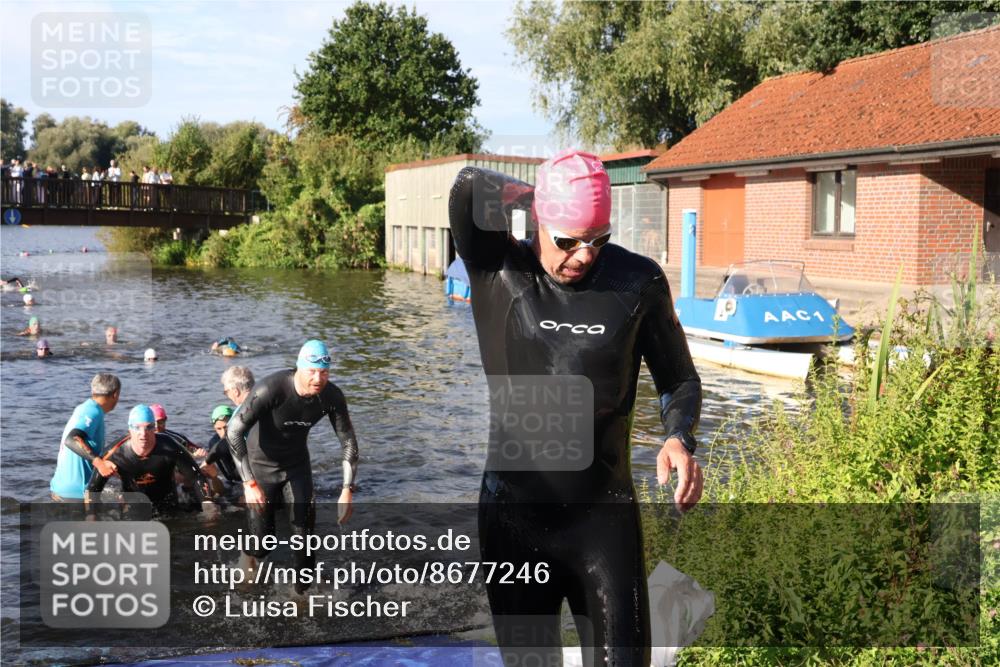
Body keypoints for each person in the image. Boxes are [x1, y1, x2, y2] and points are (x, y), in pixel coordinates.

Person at [448, 149, 703, 666]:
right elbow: (468, 185)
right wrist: (537, 193)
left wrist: (678, 436)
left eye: (598, 239)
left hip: (603, 523)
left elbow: (679, 378)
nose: (584, 255)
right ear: (539, 222)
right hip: (514, 523)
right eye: (568, 240)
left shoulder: (637, 282)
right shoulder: (499, 268)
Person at [226, 340, 359, 594]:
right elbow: (233, 431)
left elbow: (349, 443)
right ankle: (247, 558)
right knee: (262, 544)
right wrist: (248, 483)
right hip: (260, 468)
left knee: (304, 540)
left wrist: (347, 489)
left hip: (297, 467)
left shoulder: (331, 396)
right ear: (299, 367)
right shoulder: (271, 389)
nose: (318, 379)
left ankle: (301, 597)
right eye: (312, 371)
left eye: (324, 372)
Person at [86, 404, 214, 512]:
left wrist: (208, 503)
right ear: (129, 430)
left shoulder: (170, 446)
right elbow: (92, 489)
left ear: (154, 428)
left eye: (149, 427)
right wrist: (91, 515)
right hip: (133, 508)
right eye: (137, 428)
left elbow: (197, 476)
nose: (143, 434)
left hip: (168, 505)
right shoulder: (115, 452)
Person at [49, 373, 121, 500]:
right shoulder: (93, 412)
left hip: (59, 490)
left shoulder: (84, 408)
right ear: (115, 394)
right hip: (75, 495)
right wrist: (99, 463)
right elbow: (71, 439)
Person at [204, 405, 242, 493]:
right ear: (214, 428)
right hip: (232, 480)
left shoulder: (244, 437)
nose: (223, 432)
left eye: (226, 427)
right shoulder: (213, 443)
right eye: (219, 429)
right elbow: (226, 474)